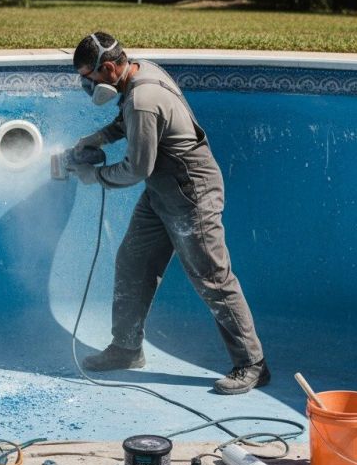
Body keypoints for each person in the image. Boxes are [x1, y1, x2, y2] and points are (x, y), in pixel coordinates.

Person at [70, 31, 269, 395]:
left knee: (212, 278)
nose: (88, 85)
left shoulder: (143, 99)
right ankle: (126, 348)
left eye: (89, 77)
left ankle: (253, 364)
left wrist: (94, 176)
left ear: (110, 68)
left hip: (191, 193)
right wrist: (96, 139)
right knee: (133, 261)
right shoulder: (141, 73)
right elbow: (128, 123)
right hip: (163, 190)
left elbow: (136, 168)